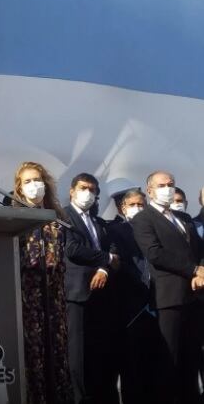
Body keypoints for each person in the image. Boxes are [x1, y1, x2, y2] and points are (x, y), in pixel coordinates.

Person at [131, 171, 204, 404]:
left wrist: (200, 269)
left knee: (190, 358)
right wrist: (192, 270)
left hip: (194, 297)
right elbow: (154, 253)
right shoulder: (144, 219)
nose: (168, 189)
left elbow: (200, 250)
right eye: (162, 185)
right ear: (150, 190)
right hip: (168, 299)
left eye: (171, 184)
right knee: (168, 360)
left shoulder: (183, 218)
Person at [12, 162, 72, 404]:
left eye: (37, 180)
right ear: (18, 188)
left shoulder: (58, 219)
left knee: (56, 355)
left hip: (54, 298)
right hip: (28, 298)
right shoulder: (14, 217)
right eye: (27, 181)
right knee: (33, 357)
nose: (34, 185)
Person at [63, 173, 120, 404]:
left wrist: (104, 268)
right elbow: (72, 249)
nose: (88, 193)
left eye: (92, 190)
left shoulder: (97, 220)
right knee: (77, 353)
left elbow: (113, 248)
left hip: (101, 293)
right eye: (83, 188)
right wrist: (106, 257)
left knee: (99, 350)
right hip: (77, 293)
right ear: (72, 190)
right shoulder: (65, 216)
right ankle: (79, 398)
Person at [106, 189, 163, 404]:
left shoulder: (153, 228)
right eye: (133, 204)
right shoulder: (116, 230)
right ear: (123, 207)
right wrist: (141, 283)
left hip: (156, 300)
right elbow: (120, 262)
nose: (138, 208)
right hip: (132, 305)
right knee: (132, 362)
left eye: (142, 204)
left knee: (154, 359)